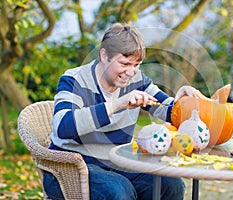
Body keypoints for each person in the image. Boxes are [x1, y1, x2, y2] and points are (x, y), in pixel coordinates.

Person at [43, 22, 203, 200]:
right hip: (71, 166)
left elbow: (168, 110)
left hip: (117, 162)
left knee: (171, 184)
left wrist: (184, 103)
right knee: (119, 191)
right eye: (125, 63)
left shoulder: (137, 81)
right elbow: (63, 127)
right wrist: (117, 104)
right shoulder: (75, 80)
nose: (131, 72)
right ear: (104, 55)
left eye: (137, 65)